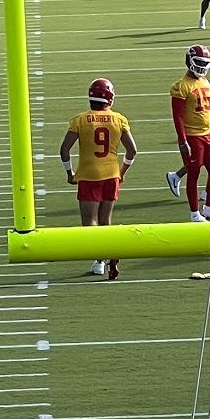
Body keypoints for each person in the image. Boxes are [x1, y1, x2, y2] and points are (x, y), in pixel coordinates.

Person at [60, 78, 137, 279]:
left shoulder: (79, 120)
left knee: (90, 223)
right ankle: (106, 257)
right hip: (111, 174)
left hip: (88, 175)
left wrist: (70, 173)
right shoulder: (119, 119)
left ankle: (101, 259)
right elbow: (132, 150)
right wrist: (123, 171)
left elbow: (64, 150)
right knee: (105, 220)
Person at [164, 44, 210, 221]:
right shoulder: (181, 86)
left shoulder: (204, 81)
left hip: (208, 133)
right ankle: (194, 213)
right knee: (194, 172)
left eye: (205, 63)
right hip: (192, 135)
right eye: (199, 62)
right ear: (189, 61)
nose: (202, 66)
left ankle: (209, 209)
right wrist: (183, 141)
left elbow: (209, 109)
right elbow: (178, 116)